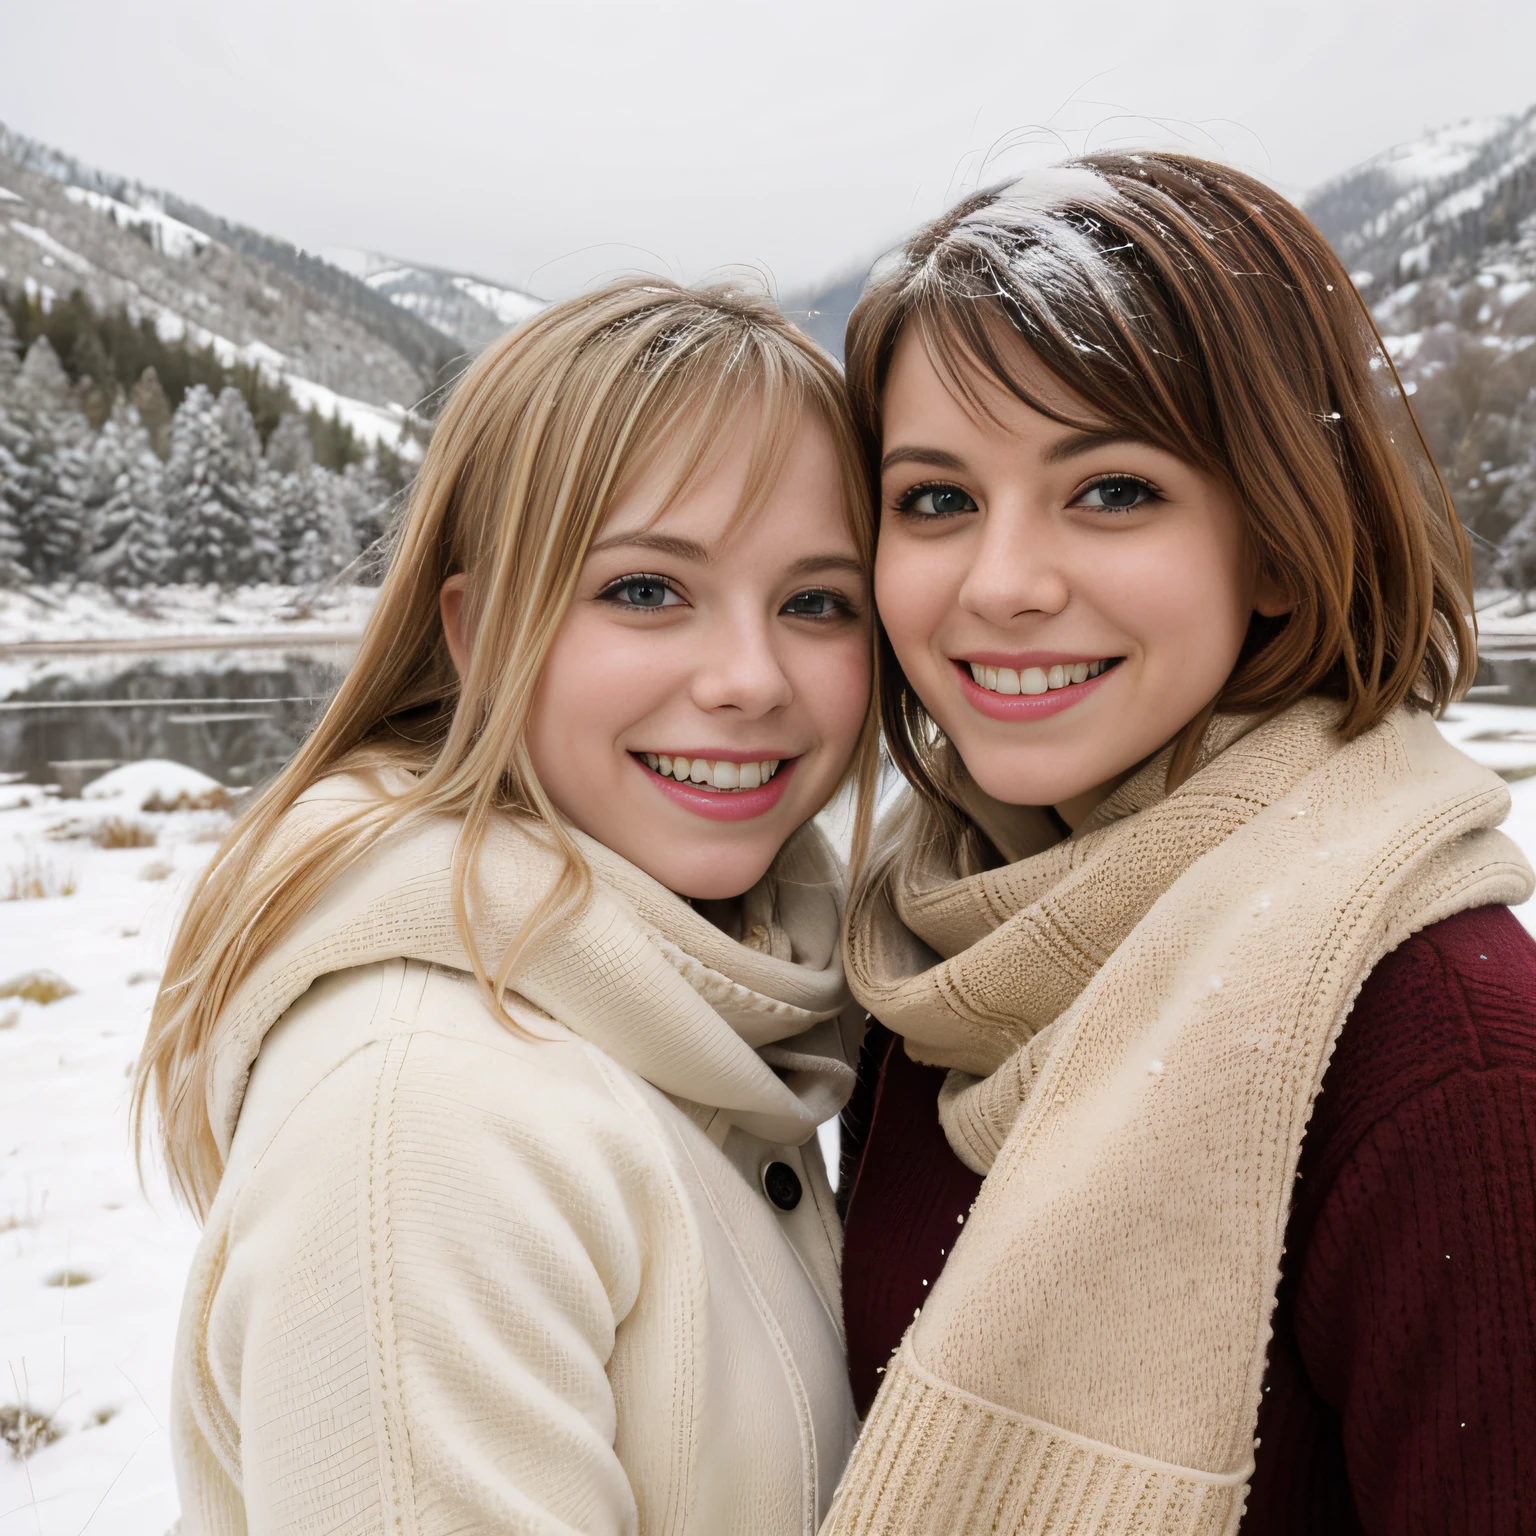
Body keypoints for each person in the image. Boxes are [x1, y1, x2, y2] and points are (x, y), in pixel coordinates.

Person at [826, 155, 1536, 1534]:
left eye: (1111, 492)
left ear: (1274, 541)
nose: (1003, 583)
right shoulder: (935, 966)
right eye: (934, 499)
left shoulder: (1446, 1059)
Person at [135, 278, 880, 1534]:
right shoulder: (422, 1124)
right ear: (481, 635)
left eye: (816, 602)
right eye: (647, 589)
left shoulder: (727, 979)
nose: (753, 680)